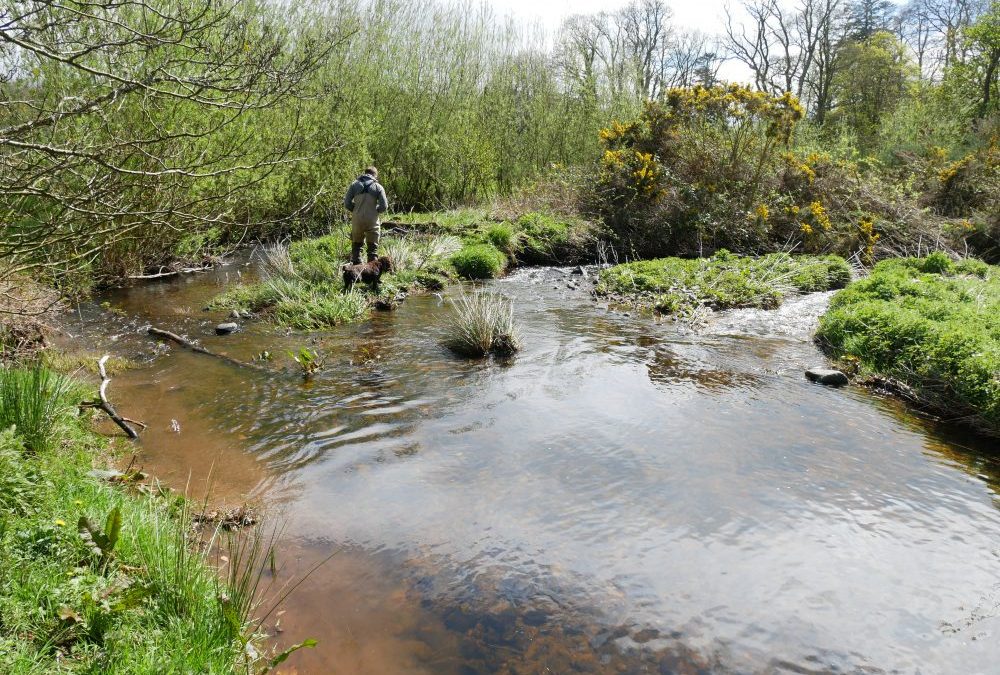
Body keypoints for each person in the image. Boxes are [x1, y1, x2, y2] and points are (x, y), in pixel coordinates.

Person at [343, 166, 389, 264]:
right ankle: (371, 274)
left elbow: (347, 203)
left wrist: (355, 210)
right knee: (373, 249)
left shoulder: (354, 185)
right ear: (375, 175)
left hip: (357, 219)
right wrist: (376, 210)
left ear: (365, 173)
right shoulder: (378, 187)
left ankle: (356, 271)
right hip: (372, 220)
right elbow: (384, 206)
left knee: (356, 246)